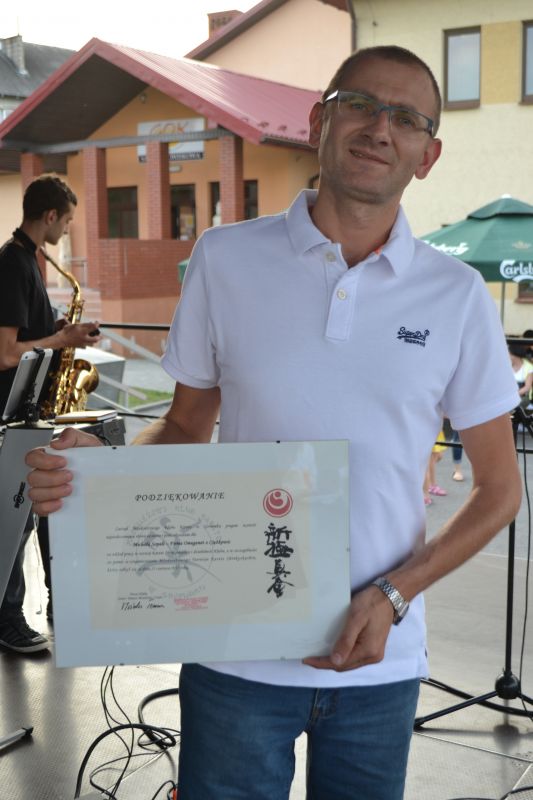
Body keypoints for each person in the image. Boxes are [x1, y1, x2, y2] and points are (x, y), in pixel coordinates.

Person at [26, 47, 522, 799]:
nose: (379, 129)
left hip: (379, 661)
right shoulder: (226, 258)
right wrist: (100, 473)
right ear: (320, 121)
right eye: (360, 105)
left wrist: (393, 595)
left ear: (427, 155)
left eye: (406, 118)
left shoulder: (454, 295)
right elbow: (185, 427)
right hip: (233, 654)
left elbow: (499, 489)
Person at [0, 174, 100, 654]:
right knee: (14, 520)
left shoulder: (28, 260)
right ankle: (8, 620)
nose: (67, 229)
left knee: (37, 511)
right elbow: (5, 352)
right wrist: (62, 339)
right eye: (68, 220)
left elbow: (25, 337)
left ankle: (60, 601)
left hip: (28, 412)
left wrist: (59, 328)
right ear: (51, 215)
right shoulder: (13, 264)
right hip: (9, 416)